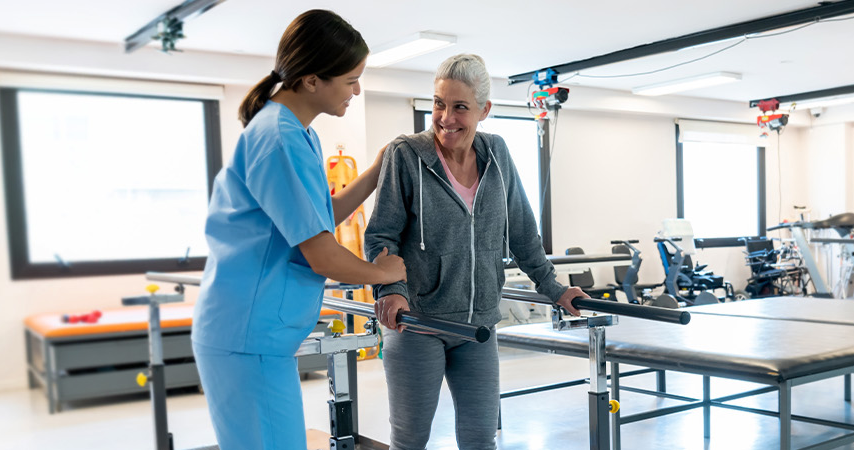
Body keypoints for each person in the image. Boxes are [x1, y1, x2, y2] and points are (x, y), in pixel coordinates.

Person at [191, 10, 406, 449]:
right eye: (350, 80)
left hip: (252, 336)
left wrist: (374, 172)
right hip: (248, 338)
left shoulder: (295, 132)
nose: (357, 90)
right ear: (312, 80)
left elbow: (316, 217)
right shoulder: (280, 138)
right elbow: (322, 254)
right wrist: (387, 273)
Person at [364, 54, 586, 450]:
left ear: (484, 109)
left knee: (481, 440)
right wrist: (390, 290)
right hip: (417, 324)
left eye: (460, 107)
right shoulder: (407, 155)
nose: (446, 117)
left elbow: (522, 231)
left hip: (478, 328)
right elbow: (381, 235)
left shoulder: (497, 154)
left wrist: (555, 288)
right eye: (438, 103)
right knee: (411, 440)